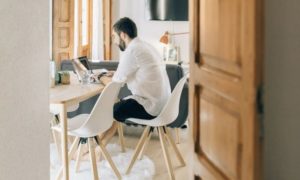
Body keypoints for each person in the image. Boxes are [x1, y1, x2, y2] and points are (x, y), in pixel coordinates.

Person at [111, 17, 171, 122]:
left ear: (122, 35)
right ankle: (100, 139)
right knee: (117, 108)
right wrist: (115, 74)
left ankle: (95, 138)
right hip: (166, 105)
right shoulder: (146, 46)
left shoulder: (132, 51)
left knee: (109, 111)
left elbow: (116, 81)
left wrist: (100, 76)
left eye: (114, 36)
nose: (114, 41)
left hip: (151, 107)